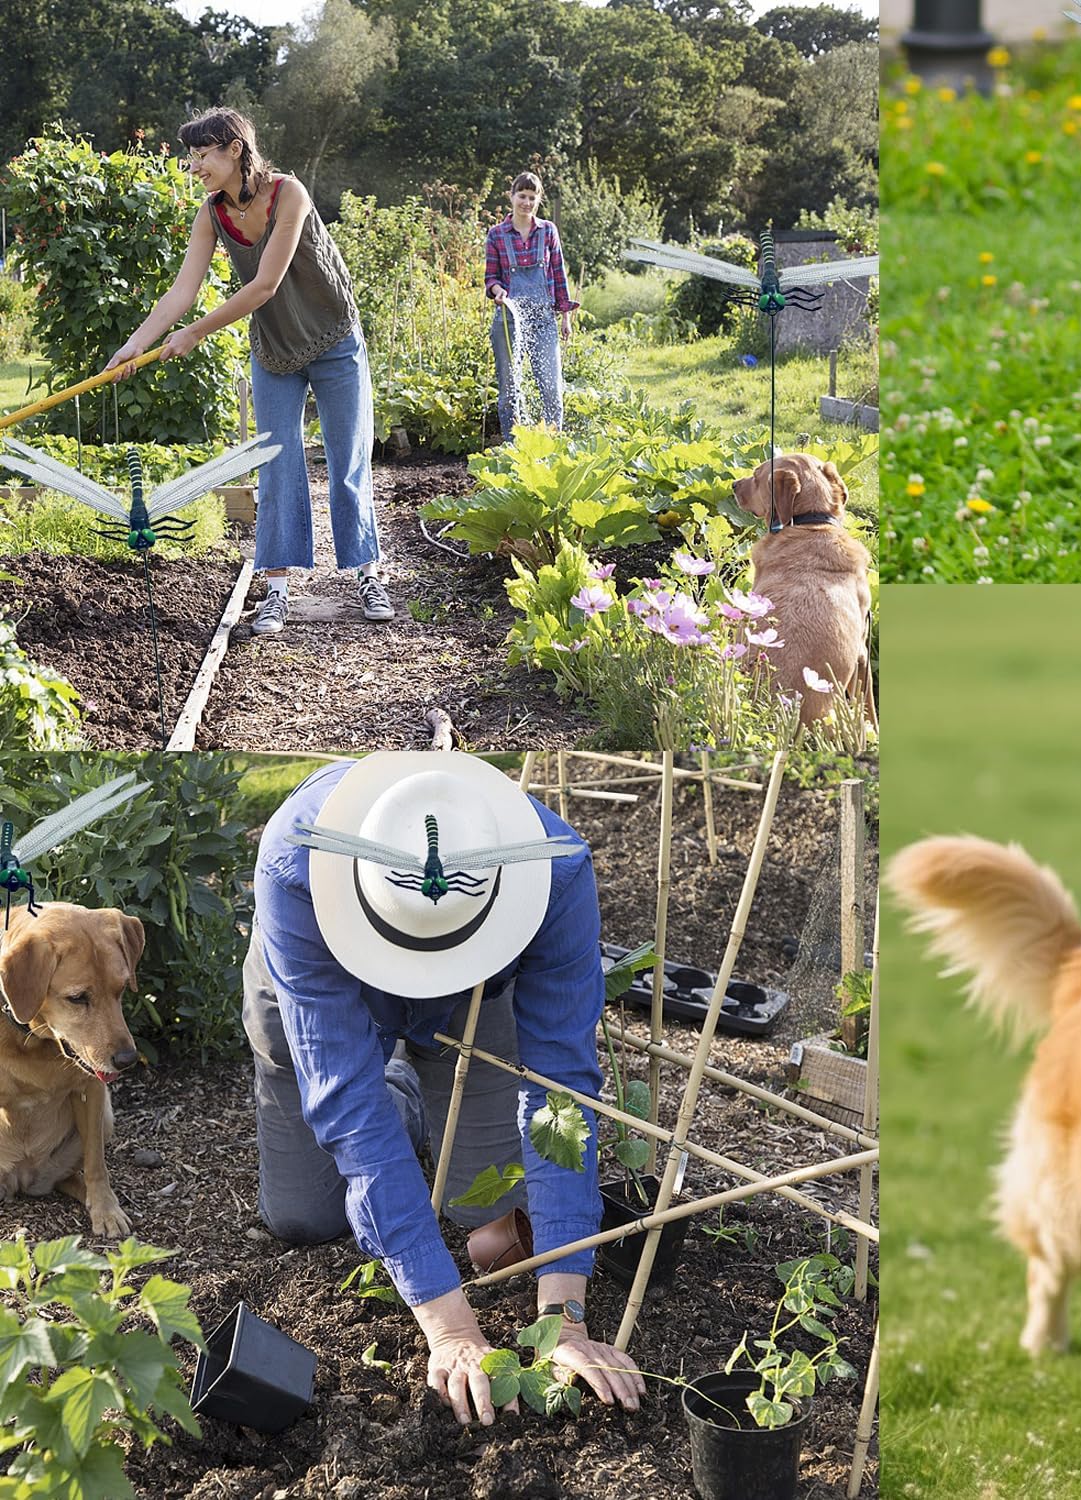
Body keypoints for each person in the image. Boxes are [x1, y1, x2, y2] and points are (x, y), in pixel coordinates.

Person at [242, 752, 645, 1425]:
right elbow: (343, 1098)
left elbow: (559, 1092)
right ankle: (395, 1088)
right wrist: (451, 1325)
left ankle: (409, 1091)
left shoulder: (556, 872)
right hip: (323, 996)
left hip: (475, 999)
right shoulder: (297, 867)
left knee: (477, 1209)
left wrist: (564, 1319)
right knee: (306, 1217)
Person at [106, 107, 393, 637]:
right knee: (277, 468)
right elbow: (181, 292)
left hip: (333, 338)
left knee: (346, 460)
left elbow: (263, 285)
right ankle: (278, 591)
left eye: (202, 154)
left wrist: (195, 333)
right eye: (191, 156)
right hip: (276, 348)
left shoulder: (290, 194)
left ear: (234, 148)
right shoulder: (211, 214)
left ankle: (367, 574)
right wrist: (134, 346)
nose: (195, 166)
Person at [483, 173, 578, 442]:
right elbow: (491, 278)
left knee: (551, 387)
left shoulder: (548, 231)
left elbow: (559, 274)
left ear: (538, 201)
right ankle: (514, 448)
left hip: (544, 320)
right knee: (509, 390)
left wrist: (566, 317)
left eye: (532, 198)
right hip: (509, 321)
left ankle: (551, 445)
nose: (526, 202)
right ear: (511, 196)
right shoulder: (497, 234)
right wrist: (498, 291)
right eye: (521, 196)